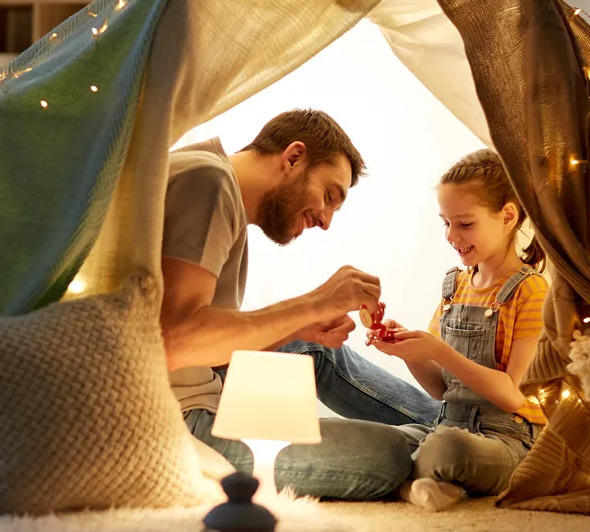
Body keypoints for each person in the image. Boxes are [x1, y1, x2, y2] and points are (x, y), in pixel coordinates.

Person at [162, 108, 438, 501]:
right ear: (293, 158)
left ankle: (454, 428)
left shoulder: (207, 174)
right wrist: (314, 302)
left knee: (309, 348)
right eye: (328, 195)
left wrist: (297, 328)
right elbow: (175, 341)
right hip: (182, 422)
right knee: (388, 455)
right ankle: (456, 438)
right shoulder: (208, 183)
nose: (325, 222)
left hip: (202, 386)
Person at [366, 148, 550, 511]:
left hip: (506, 440)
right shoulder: (455, 285)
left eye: (465, 224)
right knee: (377, 441)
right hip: (446, 424)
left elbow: (515, 396)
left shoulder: (531, 290)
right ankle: (419, 482)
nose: (452, 235)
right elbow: (439, 388)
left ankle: (405, 484)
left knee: (445, 449)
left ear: (508, 216)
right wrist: (406, 351)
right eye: (445, 222)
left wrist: (437, 350)